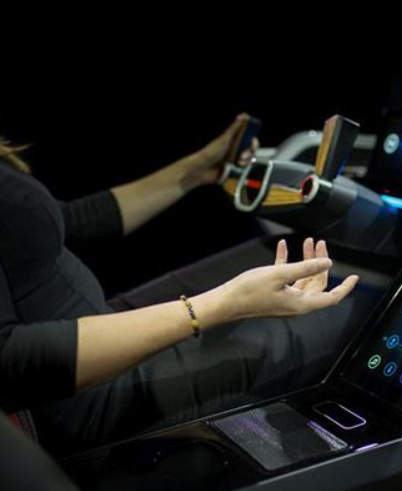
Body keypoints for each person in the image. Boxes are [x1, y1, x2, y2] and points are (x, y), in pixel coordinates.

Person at [0, 114, 369, 457]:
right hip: (84, 399)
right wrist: (222, 305)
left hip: (96, 321)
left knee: (268, 251)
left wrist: (196, 170)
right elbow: (11, 359)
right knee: (358, 309)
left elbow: (68, 219)